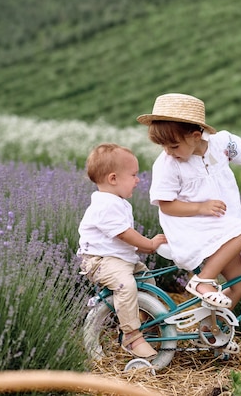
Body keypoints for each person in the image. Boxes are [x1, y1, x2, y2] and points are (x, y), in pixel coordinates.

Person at [137, 93, 241, 314]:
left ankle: (211, 328)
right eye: (163, 146)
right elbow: (166, 205)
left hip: (222, 224)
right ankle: (202, 280)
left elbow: (240, 147)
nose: (168, 152)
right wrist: (201, 207)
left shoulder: (220, 144)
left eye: (173, 146)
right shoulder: (168, 164)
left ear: (195, 135)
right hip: (193, 225)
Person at [78, 143, 167, 359]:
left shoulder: (116, 202)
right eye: (134, 175)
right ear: (113, 179)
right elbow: (125, 234)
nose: (138, 180)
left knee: (147, 279)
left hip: (120, 260)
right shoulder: (105, 205)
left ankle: (145, 320)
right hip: (102, 261)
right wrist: (150, 244)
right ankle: (132, 335)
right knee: (125, 286)